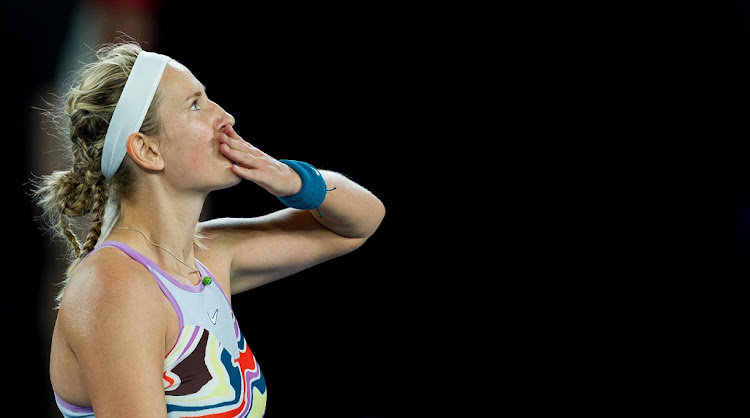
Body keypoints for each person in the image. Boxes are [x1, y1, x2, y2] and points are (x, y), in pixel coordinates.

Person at [34, 41, 385, 417]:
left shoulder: (206, 256)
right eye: (195, 105)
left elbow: (360, 223)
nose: (226, 117)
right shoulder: (115, 287)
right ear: (147, 150)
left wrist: (295, 182)